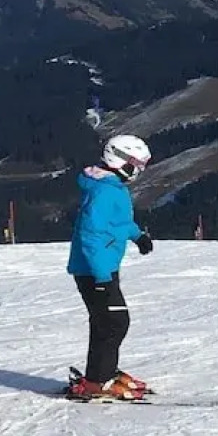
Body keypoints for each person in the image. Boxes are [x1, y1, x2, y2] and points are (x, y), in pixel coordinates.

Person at [65, 135, 154, 400]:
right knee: (114, 322)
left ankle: (101, 373)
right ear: (122, 161)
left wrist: (137, 235)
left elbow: (118, 222)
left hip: (99, 268)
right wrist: (102, 277)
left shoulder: (111, 186)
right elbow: (91, 236)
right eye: (137, 165)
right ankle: (97, 381)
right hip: (94, 271)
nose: (138, 171)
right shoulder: (104, 191)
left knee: (106, 321)